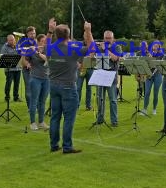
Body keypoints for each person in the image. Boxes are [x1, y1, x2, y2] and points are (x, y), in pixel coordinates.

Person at [47, 19, 93, 153]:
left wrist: (50, 30)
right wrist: (88, 31)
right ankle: (67, 146)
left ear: (56, 35)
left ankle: (54, 145)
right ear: (68, 36)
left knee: (55, 117)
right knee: (69, 117)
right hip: (68, 86)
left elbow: (48, 40)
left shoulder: (50, 48)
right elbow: (91, 48)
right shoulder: (72, 49)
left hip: (53, 85)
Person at [95, 30, 122, 127]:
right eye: (106, 38)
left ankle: (114, 121)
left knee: (113, 100)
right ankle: (100, 118)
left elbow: (115, 58)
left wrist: (106, 50)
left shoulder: (117, 47)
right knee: (100, 98)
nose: (107, 40)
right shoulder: (100, 47)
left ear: (113, 39)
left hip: (111, 77)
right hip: (101, 75)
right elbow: (94, 58)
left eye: (109, 38)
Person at [26, 34, 49, 131]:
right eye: (42, 41)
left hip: (46, 78)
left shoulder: (47, 50)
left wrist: (37, 52)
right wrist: (27, 63)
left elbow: (47, 59)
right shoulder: (31, 51)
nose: (44, 43)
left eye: (45, 41)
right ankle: (32, 122)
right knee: (34, 101)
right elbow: (24, 60)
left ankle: (41, 121)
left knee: (42, 101)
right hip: (35, 78)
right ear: (38, 42)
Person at [142, 41, 163, 115]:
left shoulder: (161, 55)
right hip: (149, 75)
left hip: (158, 75)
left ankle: (154, 109)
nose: (155, 47)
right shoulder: (149, 54)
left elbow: (157, 64)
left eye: (157, 46)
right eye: (154, 46)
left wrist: (151, 58)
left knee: (155, 93)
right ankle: (144, 109)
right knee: (147, 92)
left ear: (159, 47)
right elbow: (145, 63)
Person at [1, 34, 22, 102]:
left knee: (17, 83)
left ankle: (16, 97)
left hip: (18, 68)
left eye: (13, 40)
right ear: (8, 41)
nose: (13, 41)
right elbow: (3, 58)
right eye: (11, 40)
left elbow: (21, 56)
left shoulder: (18, 46)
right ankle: (7, 97)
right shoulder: (4, 47)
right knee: (9, 83)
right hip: (9, 69)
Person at [21, 26, 36, 109]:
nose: (33, 35)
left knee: (36, 88)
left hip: (36, 69)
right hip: (26, 69)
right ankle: (30, 107)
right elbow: (22, 58)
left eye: (34, 33)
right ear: (27, 34)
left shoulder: (36, 42)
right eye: (31, 34)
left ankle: (35, 106)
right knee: (29, 88)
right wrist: (27, 64)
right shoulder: (24, 44)